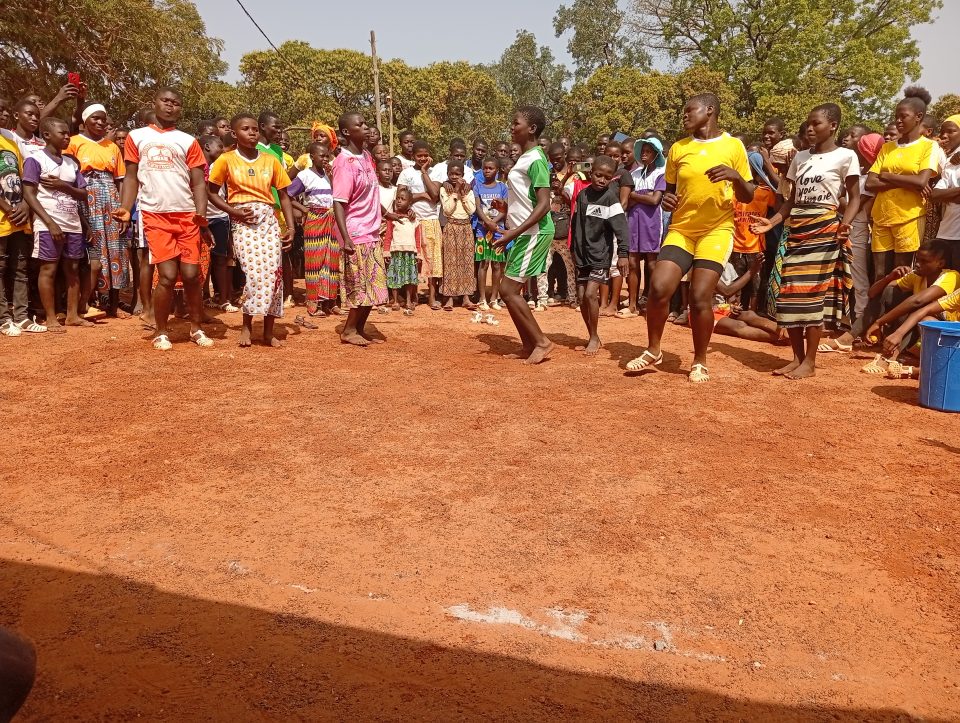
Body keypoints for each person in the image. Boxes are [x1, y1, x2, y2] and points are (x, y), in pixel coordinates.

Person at [626, 93, 755, 383]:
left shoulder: (733, 146)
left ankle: (699, 360)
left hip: (716, 230)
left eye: (689, 111)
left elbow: (748, 194)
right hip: (682, 229)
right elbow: (669, 192)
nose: (683, 116)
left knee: (699, 297)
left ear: (709, 111)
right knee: (659, 288)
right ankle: (654, 349)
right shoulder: (678, 149)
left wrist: (735, 177)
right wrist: (667, 200)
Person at [751, 103, 859, 380]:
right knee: (789, 294)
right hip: (796, 229)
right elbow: (790, 200)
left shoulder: (846, 156)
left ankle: (809, 362)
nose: (810, 129)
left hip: (824, 230)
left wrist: (845, 224)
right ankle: (797, 358)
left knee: (812, 297)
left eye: (817, 124)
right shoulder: (800, 158)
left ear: (833, 125)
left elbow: (855, 197)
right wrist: (771, 223)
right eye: (808, 124)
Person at [116, 87, 213, 350]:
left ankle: (196, 327)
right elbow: (132, 176)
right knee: (168, 275)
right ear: (155, 103)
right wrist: (126, 207)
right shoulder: (137, 137)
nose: (170, 106)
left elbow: (198, 183)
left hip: (187, 216)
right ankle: (161, 330)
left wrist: (201, 213)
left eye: (176, 103)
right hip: (155, 214)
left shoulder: (187, 140)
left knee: (193, 275)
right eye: (166, 101)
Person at [208, 112, 294, 347]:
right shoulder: (226, 160)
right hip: (242, 219)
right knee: (255, 274)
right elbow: (212, 192)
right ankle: (246, 325)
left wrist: (291, 227)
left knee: (274, 275)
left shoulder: (271, 160)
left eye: (255, 129)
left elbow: (284, 195)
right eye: (246, 129)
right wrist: (233, 211)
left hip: (268, 219)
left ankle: (268, 331)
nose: (252, 133)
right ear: (235, 134)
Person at [492, 106, 555, 365]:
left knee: (508, 289)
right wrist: (506, 211)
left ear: (531, 129)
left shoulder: (537, 159)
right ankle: (529, 344)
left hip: (533, 233)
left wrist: (513, 233)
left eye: (515, 123)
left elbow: (544, 204)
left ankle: (541, 342)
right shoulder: (526, 158)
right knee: (509, 291)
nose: (511, 127)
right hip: (524, 232)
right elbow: (527, 201)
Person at [22, 116, 88, 333]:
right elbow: (29, 194)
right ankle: (51, 318)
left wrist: (63, 186)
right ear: (47, 135)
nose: (67, 137)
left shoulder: (71, 163)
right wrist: (49, 223)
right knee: (48, 269)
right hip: (48, 222)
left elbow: (83, 194)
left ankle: (72, 316)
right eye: (63, 133)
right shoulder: (35, 159)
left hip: (72, 223)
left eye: (68, 133)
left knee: (73, 269)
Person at [820, 132, 886, 352]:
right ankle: (852, 319)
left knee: (858, 277)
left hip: (857, 230)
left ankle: (860, 322)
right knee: (848, 276)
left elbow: (851, 204)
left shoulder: (870, 179)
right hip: (851, 228)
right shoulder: (864, 175)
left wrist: (837, 198)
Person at [866, 87, 939, 281]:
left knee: (902, 273)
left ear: (918, 117)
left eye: (903, 116)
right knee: (880, 274)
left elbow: (922, 181)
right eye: (896, 116)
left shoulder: (929, 146)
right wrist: (907, 181)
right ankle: (877, 312)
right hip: (881, 216)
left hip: (909, 217)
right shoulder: (887, 147)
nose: (898, 120)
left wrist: (888, 176)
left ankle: (899, 311)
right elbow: (870, 183)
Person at [67, 103, 130, 318]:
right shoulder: (74, 142)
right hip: (86, 197)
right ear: (85, 121)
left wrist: (123, 210)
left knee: (116, 250)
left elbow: (120, 180)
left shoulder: (111, 146)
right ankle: (91, 301)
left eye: (103, 119)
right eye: (96, 118)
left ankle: (114, 303)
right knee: (94, 249)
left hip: (110, 198)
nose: (101, 122)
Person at [860, 240, 958, 375]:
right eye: (917, 259)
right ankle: (852, 338)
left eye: (924, 261)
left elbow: (918, 301)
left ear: (940, 264)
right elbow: (873, 293)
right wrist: (889, 277)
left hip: (952, 340)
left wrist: (882, 322)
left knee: (921, 312)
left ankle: (893, 358)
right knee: (892, 293)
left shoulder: (951, 276)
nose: (917, 264)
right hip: (931, 333)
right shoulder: (917, 276)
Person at [332, 112, 388, 346]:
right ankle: (349, 330)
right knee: (359, 285)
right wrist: (345, 238)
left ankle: (360, 328)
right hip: (355, 232)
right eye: (360, 124)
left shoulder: (365, 155)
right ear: (347, 132)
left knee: (373, 285)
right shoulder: (344, 162)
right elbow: (338, 202)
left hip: (371, 230)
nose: (366, 127)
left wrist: (386, 214)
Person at [569, 155, 630, 355]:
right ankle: (591, 336)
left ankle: (594, 337)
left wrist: (623, 253)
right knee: (581, 297)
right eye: (598, 175)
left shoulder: (610, 199)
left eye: (606, 177)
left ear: (612, 178)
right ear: (590, 172)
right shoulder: (582, 196)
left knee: (589, 294)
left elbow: (621, 228)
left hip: (600, 256)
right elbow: (576, 224)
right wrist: (574, 249)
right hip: (582, 254)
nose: (601, 180)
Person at [286, 139, 337, 317]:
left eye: (327, 156)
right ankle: (313, 303)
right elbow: (288, 194)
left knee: (331, 260)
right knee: (315, 260)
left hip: (331, 219)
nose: (325, 159)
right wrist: (304, 209)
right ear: (312, 156)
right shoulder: (304, 175)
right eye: (321, 156)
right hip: (315, 218)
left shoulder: (329, 175)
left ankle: (329, 302)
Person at [0, 116, 35, 336]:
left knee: (21, 267)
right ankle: (4, 319)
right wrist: (7, 206)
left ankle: (21, 317)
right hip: (4, 214)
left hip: (19, 216)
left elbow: (24, 177)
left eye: (4, 110)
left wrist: (25, 204)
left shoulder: (11, 140)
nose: (2, 114)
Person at [256, 111, 295, 309]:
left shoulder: (278, 152)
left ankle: (287, 294)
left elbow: (283, 184)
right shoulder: (253, 149)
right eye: (276, 127)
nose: (280, 132)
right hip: (258, 208)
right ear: (262, 126)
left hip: (277, 208)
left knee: (283, 252)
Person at [397, 140, 442, 308]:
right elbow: (401, 197)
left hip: (431, 221)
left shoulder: (435, 172)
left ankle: (431, 297)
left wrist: (424, 173)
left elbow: (435, 195)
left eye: (425, 155)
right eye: (419, 156)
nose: (422, 158)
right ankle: (413, 296)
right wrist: (422, 194)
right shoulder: (406, 173)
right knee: (414, 260)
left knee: (432, 260)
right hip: (412, 221)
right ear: (413, 156)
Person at [625, 137, 667, 316]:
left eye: (648, 151)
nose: (644, 154)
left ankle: (653, 304)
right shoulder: (634, 174)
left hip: (652, 223)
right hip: (633, 221)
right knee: (633, 262)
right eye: (642, 150)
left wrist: (635, 195)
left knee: (652, 263)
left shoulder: (660, 174)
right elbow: (627, 202)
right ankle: (632, 304)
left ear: (655, 154)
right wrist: (643, 196)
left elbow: (655, 200)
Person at [730, 150, 777, 310]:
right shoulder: (733, 191)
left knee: (755, 285)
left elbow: (780, 208)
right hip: (736, 245)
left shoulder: (765, 192)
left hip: (756, 246)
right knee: (734, 283)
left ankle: (752, 312)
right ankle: (732, 310)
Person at [198, 134, 237, 312]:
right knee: (202, 260)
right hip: (201, 218)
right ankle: (203, 297)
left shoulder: (220, 166)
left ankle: (223, 299)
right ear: (207, 147)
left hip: (220, 217)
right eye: (219, 146)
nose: (223, 150)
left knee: (221, 258)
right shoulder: (196, 167)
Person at [439, 160, 477, 310]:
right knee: (450, 262)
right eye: (451, 174)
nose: (454, 176)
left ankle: (466, 297)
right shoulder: (445, 190)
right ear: (447, 174)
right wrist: (455, 192)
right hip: (451, 226)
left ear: (463, 175)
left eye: (458, 174)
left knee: (467, 262)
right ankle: (449, 297)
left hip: (466, 227)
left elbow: (471, 210)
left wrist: (463, 194)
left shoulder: (469, 191)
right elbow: (447, 210)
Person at [473, 156, 508, 311]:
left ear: (497, 170)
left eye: (491, 168)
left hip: (498, 231)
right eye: (485, 168)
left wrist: (494, 223)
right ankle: (482, 299)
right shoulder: (477, 187)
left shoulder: (502, 188)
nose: (487, 171)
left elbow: (505, 208)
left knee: (496, 264)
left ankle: (493, 298)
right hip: (482, 230)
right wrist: (487, 222)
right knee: (483, 263)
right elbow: (478, 207)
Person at [383, 187, 422, 314]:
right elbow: (388, 236)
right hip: (396, 252)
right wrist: (386, 251)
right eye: (398, 199)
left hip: (410, 253)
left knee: (409, 277)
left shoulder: (414, 219)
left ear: (409, 203)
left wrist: (418, 253)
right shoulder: (392, 218)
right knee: (395, 277)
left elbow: (417, 237)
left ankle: (409, 300)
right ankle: (395, 300)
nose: (399, 201)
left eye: (403, 199)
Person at [931, 114, 960, 270]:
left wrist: (949, 194)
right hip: (946, 233)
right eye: (942, 131)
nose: (944, 135)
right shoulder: (951, 161)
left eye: (951, 131)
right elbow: (934, 195)